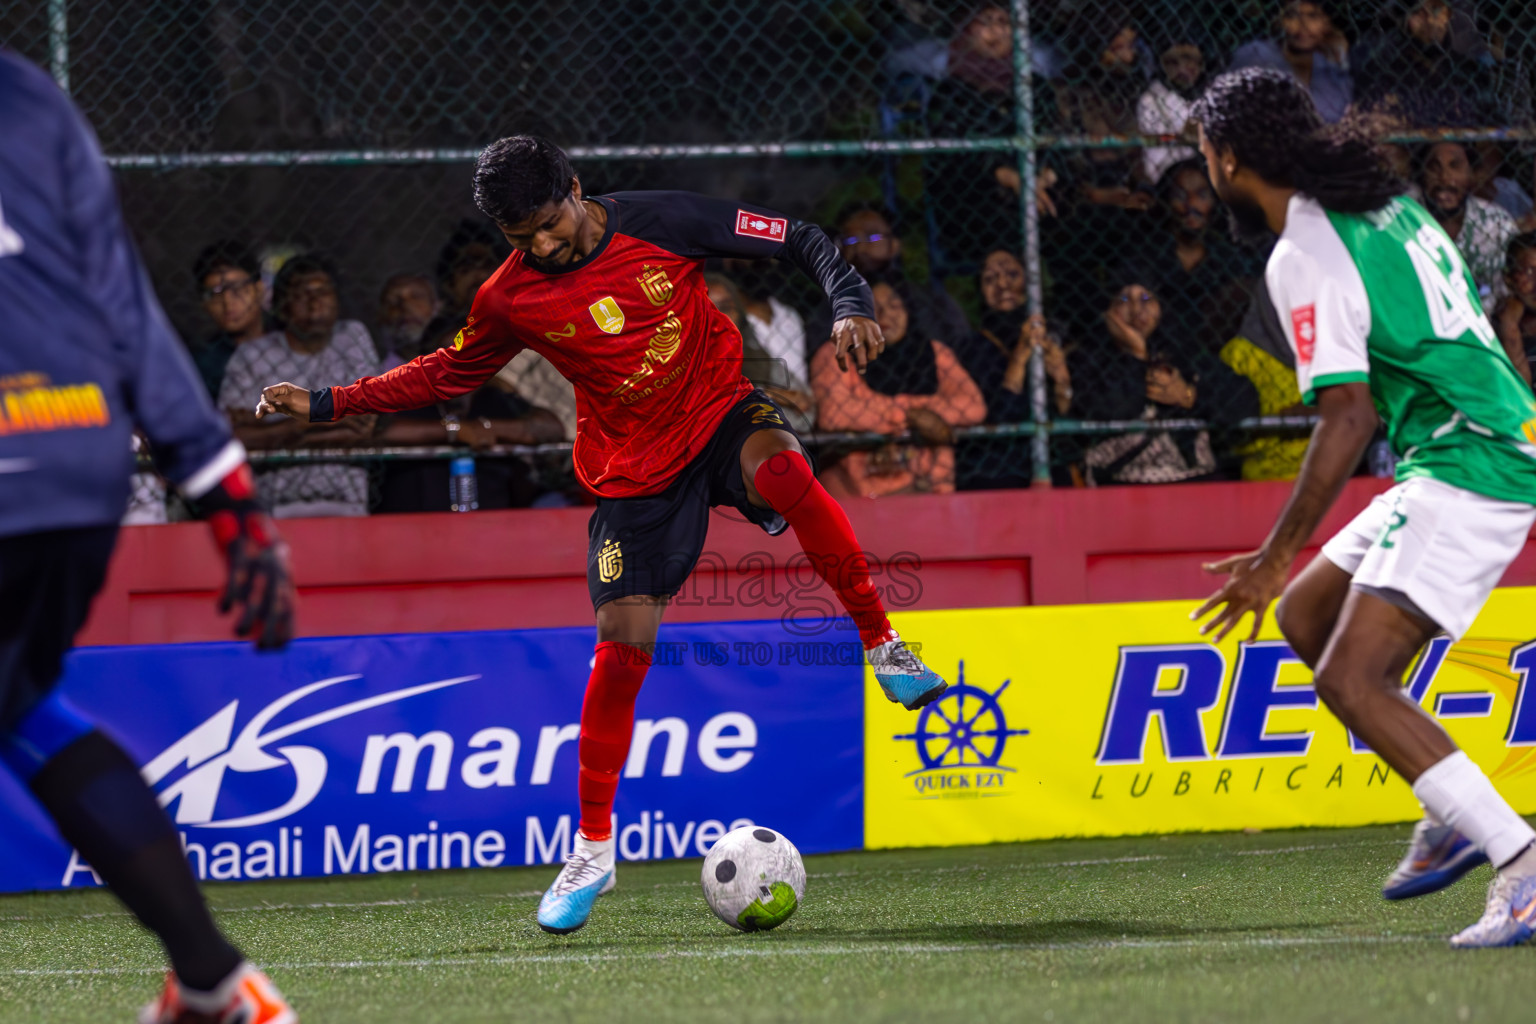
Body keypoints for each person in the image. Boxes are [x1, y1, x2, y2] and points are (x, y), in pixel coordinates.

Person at [252, 135, 952, 934]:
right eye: (523, 240)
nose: (543, 246)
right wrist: (327, 403)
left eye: (550, 225)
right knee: (621, 649)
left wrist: (850, 301)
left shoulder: (661, 220)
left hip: (719, 409)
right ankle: (591, 850)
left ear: (575, 188)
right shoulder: (508, 297)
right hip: (632, 470)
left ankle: (882, 644)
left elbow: (799, 237)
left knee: (790, 475)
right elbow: (444, 373)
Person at [1191, 67, 1536, 948]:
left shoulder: (1303, 251)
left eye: (1203, 152)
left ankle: (1521, 864)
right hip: (1468, 445)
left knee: (1350, 678)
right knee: (1309, 614)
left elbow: (1349, 415)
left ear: (1230, 159)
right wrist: (1285, 575)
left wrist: (1270, 555)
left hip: (1473, 461)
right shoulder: (1381, 202)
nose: (1202, 169)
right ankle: (1451, 807)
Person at [0, 50, 297, 1023]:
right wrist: (231, 500)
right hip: (78, 452)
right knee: (21, 702)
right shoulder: (33, 99)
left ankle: (217, 978)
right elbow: (122, 302)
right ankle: (213, 981)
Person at [219, 253, 381, 518]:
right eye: (301, 294)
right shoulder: (253, 354)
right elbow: (232, 438)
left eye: (323, 292)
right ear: (281, 306)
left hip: (346, 498)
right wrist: (314, 421)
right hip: (277, 502)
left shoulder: (351, 337)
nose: (314, 302)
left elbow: (366, 424)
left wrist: (278, 428)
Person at [1069, 271, 1255, 484]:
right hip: (1122, 483)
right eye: (1123, 299)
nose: (1137, 309)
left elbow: (1245, 401)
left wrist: (1188, 396)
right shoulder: (1086, 361)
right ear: (1107, 312)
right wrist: (1137, 355)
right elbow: (1116, 410)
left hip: (1194, 479)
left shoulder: (1185, 355)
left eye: (1147, 298)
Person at [811, 280, 986, 497]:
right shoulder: (836, 353)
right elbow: (835, 415)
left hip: (930, 489)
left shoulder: (932, 352)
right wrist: (910, 415)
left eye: (895, 305)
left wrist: (878, 416)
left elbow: (973, 407)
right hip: (859, 492)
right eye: (872, 307)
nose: (884, 314)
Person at [1139, 157, 1262, 352]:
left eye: (1202, 195)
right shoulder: (1147, 256)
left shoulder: (1228, 258)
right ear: (1166, 202)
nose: (1191, 205)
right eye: (1180, 195)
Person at [833, 202, 970, 345]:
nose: (860, 248)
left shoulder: (932, 302)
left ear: (895, 244)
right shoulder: (833, 310)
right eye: (850, 240)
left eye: (872, 237)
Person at [1417, 142, 1517, 312]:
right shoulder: (1403, 218)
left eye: (1455, 167)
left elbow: (1512, 291)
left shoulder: (1497, 222)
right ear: (1422, 174)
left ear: (1471, 174)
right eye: (1434, 167)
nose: (1445, 178)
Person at [1229, 1, 1353, 123]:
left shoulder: (1329, 64)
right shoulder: (1257, 55)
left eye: (1312, 16)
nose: (1303, 25)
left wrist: (1340, 60)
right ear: (1278, 21)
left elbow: (1339, 116)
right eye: (1292, 15)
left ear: (1327, 22)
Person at [189, 240, 269, 400]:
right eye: (215, 293)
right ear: (204, 304)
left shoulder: (291, 336)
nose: (227, 302)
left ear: (259, 289)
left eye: (237, 288)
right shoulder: (205, 363)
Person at [1137, 21, 1210, 185]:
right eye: (1173, 63)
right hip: (1169, 179)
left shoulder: (1207, 94)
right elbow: (1155, 153)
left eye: (1190, 60)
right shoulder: (1151, 99)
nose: (1183, 69)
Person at [1492, 231, 1536, 389]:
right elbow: (1519, 395)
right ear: (1509, 278)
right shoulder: (1492, 330)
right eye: (1528, 272)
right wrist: (1509, 327)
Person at [375, 271, 441, 369]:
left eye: (416, 297)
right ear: (382, 316)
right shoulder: (375, 373)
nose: (406, 306)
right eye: (393, 301)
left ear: (436, 307)